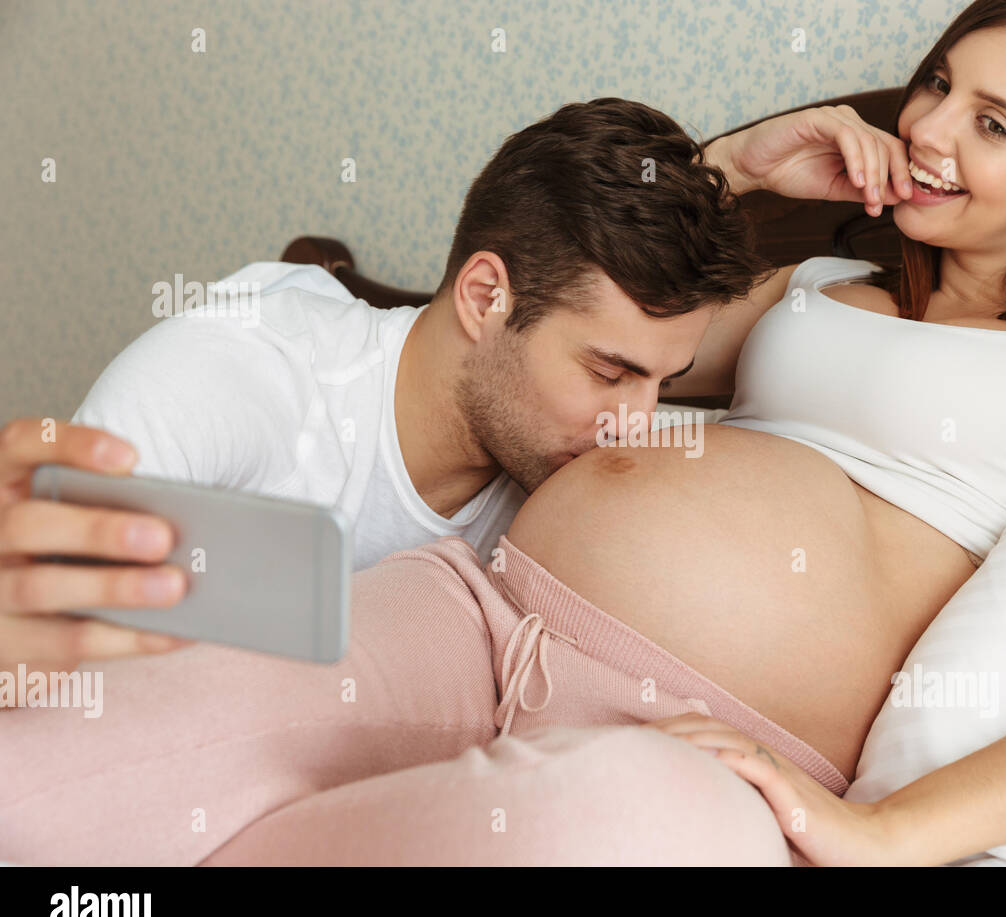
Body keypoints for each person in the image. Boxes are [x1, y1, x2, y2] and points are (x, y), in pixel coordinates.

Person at [1, 0, 1006, 867]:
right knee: (60, 760)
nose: (928, 128)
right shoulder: (815, 285)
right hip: (468, 613)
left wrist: (891, 837)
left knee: (587, 835)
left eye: (993, 124)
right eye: (940, 82)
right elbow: (598, 291)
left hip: (704, 759)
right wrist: (738, 167)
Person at [0, 97, 773, 677]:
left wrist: (742, 167)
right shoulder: (235, 377)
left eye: (662, 382)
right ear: (483, 298)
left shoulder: (573, 462)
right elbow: (46, 650)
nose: (636, 425)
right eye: (609, 373)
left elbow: (809, 344)